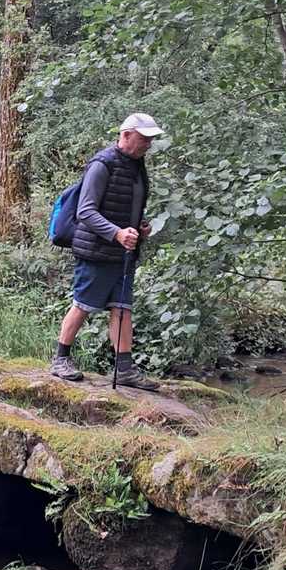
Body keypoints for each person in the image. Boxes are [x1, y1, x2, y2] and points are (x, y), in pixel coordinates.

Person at [50, 113, 163, 390]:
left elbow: (124, 205)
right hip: (97, 250)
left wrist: (139, 226)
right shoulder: (102, 165)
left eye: (151, 139)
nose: (148, 144)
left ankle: (124, 370)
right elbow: (85, 211)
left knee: (122, 308)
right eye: (144, 138)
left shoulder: (136, 165)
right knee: (83, 305)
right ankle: (60, 360)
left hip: (124, 253)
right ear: (126, 135)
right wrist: (117, 233)